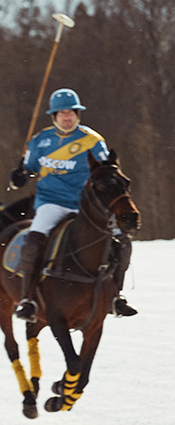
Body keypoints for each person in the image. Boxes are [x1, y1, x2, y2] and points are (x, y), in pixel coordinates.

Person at [8, 88, 137, 322]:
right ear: (54, 116)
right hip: (51, 203)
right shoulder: (40, 140)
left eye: (71, 113)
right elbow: (27, 170)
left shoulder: (92, 140)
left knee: (122, 242)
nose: (66, 117)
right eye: (61, 113)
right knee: (34, 241)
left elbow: (107, 169)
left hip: (86, 206)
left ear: (78, 115)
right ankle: (28, 299)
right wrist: (20, 176)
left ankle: (115, 296)